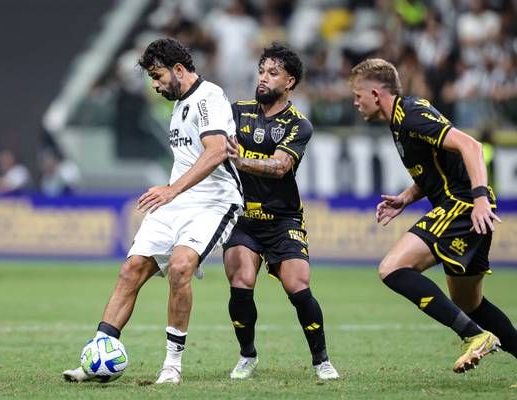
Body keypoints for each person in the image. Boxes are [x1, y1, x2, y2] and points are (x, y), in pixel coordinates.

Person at [62, 38, 243, 384]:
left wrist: (172, 189)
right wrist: (172, 193)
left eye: (158, 76)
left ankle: (172, 365)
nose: (156, 85)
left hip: (215, 202)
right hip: (177, 202)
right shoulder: (178, 107)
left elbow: (217, 150)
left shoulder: (209, 98)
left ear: (178, 69)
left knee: (179, 267)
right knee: (131, 269)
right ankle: (98, 356)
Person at [349, 58, 517, 373]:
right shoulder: (400, 122)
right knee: (470, 304)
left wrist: (479, 198)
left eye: (358, 96)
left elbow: (471, 146)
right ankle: (478, 330)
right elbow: (434, 169)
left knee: (392, 268)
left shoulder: (411, 114)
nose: (355, 103)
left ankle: (475, 336)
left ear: (375, 93)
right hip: (465, 206)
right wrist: (406, 198)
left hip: (462, 205)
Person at [223, 43, 339, 380]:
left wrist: (241, 160)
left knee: (297, 285)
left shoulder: (299, 125)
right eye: (261, 71)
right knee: (241, 281)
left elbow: (280, 167)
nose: (263, 78)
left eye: (272, 73)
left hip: (283, 219)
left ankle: (321, 360)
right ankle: (247, 355)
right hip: (243, 218)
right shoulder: (236, 111)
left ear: (289, 82)